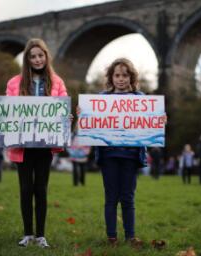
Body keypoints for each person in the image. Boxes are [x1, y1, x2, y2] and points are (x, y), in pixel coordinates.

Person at [5, 38, 69, 248]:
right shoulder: (14, 83)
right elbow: (6, 112)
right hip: (22, 145)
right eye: (32, 56)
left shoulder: (57, 82)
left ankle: (41, 235)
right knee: (25, 189)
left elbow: (63, 107)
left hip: (44, 145)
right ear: (27, 59)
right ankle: (27, 234)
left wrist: (66, 117)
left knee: (41, 189)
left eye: (40, 55)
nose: (37, 59)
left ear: (46, 56)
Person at [83, 58, 148, 247]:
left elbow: (149, 123)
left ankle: (130, 236)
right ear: (111, 77)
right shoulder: (101, 99)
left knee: (128, 197)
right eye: (117, 75)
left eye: (125, 75)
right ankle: (111, 237)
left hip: (130, 156)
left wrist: (160, 119)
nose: (121, 79)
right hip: (108, 156)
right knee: (111, 197)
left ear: (131, 77)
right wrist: (84, 113)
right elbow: (91, 123)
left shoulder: (140, 99)